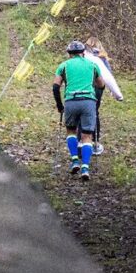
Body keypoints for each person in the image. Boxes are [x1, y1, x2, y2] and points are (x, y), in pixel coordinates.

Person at [53, 40, 105, 181]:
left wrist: (59, 106)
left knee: (71, 131)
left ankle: (75, 160)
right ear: (83, 53)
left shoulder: (63, 65)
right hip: (88, 102)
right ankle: (85, 168)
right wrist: (96, 102)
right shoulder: (93, 65)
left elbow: (56, 87)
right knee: (87, 136)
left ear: (69, 54)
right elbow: (101, 85)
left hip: (71, 101)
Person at [84, 36, 123, 155]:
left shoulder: (82, 55)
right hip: (97, 87)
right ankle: (95, 142)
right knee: (94, 112)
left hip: (83, 85)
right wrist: (114, 92)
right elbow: (108, 74)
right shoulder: (101, 57)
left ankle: (82, 140)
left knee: (83, 112)